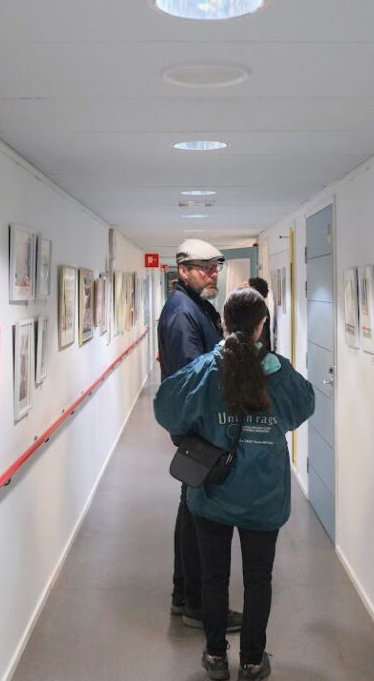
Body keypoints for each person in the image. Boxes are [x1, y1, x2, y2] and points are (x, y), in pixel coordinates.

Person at [155, 288, 316, 681]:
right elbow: (304, 406)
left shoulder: (204, 370)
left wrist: (198, 428)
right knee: (259, 579)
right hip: (263, 494)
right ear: (261, 326)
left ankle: (214, 656)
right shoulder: (279, 373)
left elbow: (166, 408)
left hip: (213, 491)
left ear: (223, 323)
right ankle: (252, 661)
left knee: (214, 576)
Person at [157, 239, 243, 634]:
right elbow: (192, 375)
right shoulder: (182, 313)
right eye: (205, 268)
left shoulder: (195, 306)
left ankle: (184, 595)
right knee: (199, 519)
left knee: (190, 513)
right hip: (200, 431)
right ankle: (197, 604)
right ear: (183, 270)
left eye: (215, 268)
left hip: (199, 427)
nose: (213, 275)